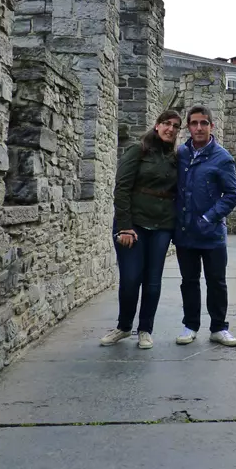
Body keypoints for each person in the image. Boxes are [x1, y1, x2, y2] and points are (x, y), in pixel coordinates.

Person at [100, 109, 182, 349]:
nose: (170, 129)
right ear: (157, 125)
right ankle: (124, 327)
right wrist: (124, 226)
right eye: (166, 123)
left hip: (162, 225)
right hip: (133, 225)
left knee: (153, 280)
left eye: (176, 126)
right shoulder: (139, 150)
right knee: (130, 277)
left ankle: (145, 329)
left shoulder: (176, 158)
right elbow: (122, 188)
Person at [174, 105, 236, 347]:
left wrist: (208, 218)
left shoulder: (222, 157)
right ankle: (190, 325)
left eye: (204, 123)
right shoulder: (180, 154)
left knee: (216, 281)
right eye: (194, 123)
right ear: (188, 127)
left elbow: (232, 194)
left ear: (211, 126)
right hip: (185, 233)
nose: (199, 127)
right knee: (188, 281)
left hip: (212, 234)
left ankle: (219, 328)